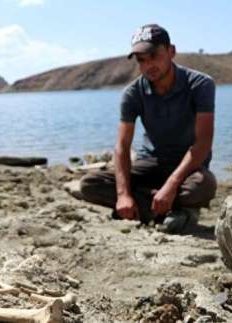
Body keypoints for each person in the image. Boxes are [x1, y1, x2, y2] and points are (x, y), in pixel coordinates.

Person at [78, 24, 217, 233]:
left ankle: (151, 206)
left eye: (154, 55)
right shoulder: (132, 93)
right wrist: (124, 194)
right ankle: (172, 211)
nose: (148, 65)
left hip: (188, 168)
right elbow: (122, 147)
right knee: (90, 184)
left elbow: (203, 144)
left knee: (205, 185)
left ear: (171, 51)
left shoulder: (200, 84)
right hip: (150, 164)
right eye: (142, 60)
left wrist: (171, 185)